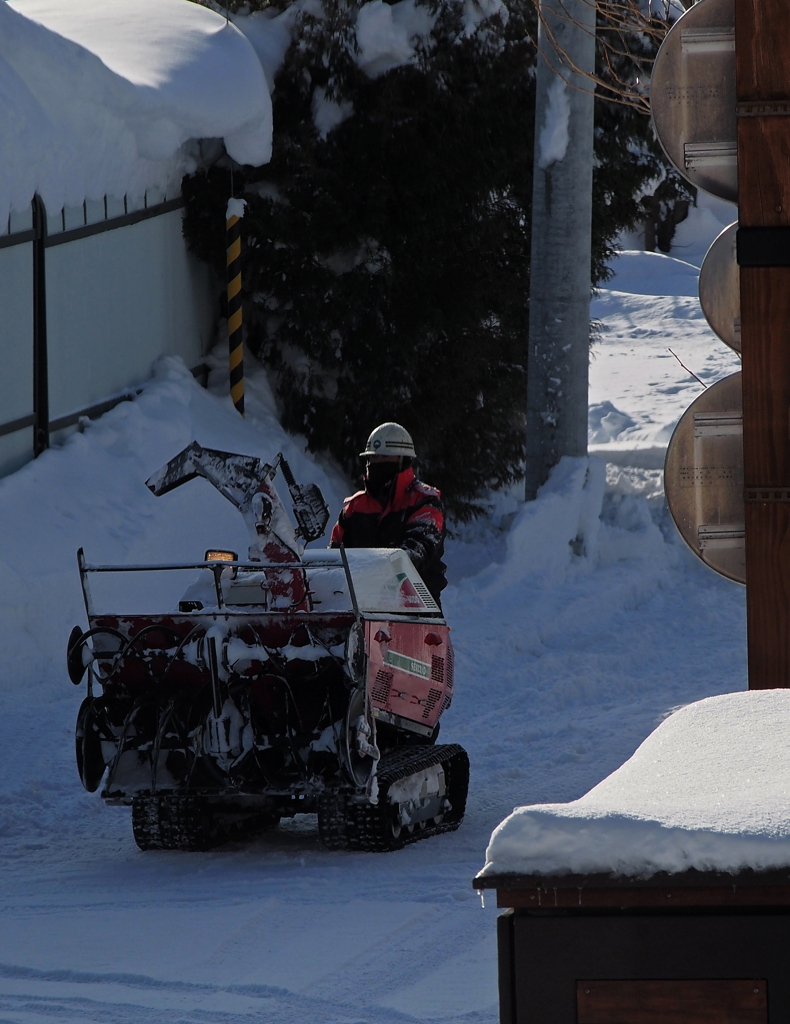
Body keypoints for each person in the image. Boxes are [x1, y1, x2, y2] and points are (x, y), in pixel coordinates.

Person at [330, 422, 447, 605]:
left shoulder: (425, 502)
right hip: (356, 608)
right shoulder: (354, 507)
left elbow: (415, 553)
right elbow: (334, 559)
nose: (377, 464)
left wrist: (369, 574)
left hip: (416, 611)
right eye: (373, 458)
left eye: (384, 457)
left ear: (403, 460)